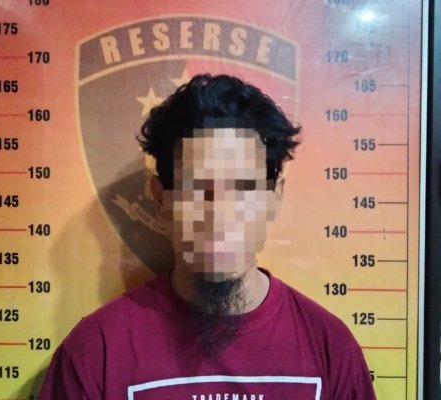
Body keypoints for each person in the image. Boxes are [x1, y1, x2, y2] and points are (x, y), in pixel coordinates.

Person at [39, 74, 376, 399]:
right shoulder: (95, 352)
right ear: (161, 200)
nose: (219, 215)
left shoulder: (330, 348)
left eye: (243, 188)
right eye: (195, 189)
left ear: (274, 199)